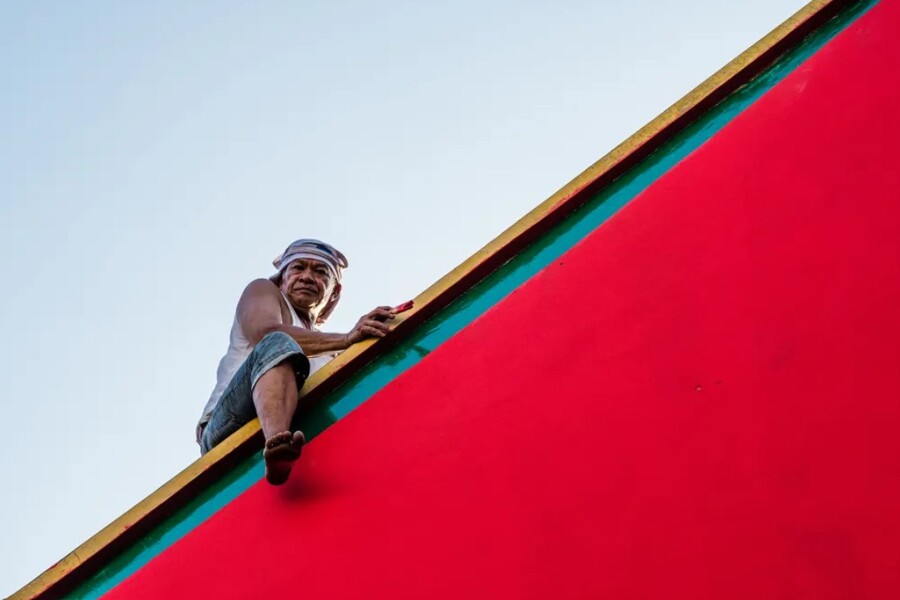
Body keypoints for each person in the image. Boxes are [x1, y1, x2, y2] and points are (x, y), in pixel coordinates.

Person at [196, 238, 394, 485]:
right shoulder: (264, 291)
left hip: (302, 427)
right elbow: (264, 333)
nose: (307, 277)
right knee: (277, 342)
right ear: (282, 278)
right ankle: (278, 443)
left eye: (320, 272)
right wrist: (346, 339)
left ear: (334, 293)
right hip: (228, 425)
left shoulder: (330, 350)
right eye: (298, 268)